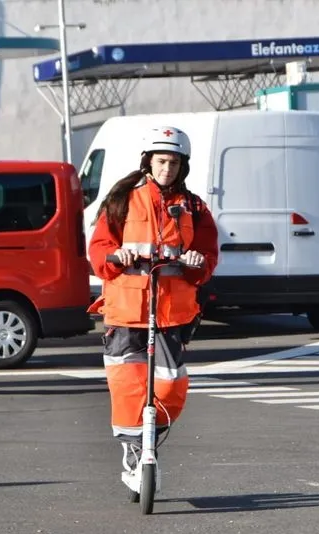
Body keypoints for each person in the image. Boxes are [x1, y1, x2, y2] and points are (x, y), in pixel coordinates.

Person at [87, 125, 219, 475]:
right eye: (161, 161)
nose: (167, 169)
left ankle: (150, 434)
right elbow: (99, 248)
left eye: (174, 163)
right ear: (148, 161)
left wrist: (197, 262)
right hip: (126, 310)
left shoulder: (194, 207)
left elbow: (208, 254)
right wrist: (115, 256)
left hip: (172, 313)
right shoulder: (122, 199)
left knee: (171, 383)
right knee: (128, 385)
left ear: (183, 166)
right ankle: (133, 450)